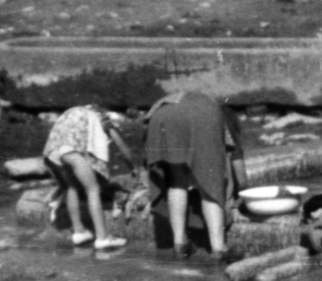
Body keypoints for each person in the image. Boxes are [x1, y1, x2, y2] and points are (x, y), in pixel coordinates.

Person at [143, 91, 246, 258]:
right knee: (210, 183)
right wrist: (240, 193)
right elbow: (235, 172)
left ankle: (180, 243)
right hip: (197, 116)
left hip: (161, 115)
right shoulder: (220, 117)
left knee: (177, 181)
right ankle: (219, 248)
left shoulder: (206, 102)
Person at [42, 105, 138, 251]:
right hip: (71, 151)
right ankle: (103, 238)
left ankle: (79, 232)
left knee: (71, 187)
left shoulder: (75, 112)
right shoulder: (102, 118)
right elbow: (125, 150)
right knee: (93, 189)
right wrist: (135, 168)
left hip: (54, 152)